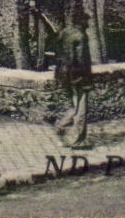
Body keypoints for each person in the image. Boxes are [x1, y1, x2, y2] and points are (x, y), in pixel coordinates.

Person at [54, 9, 94, 148]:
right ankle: (78, 140)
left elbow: (57, 53)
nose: (88, 23)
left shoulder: (64, 32)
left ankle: (61, 127)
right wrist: (85, 79)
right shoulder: (81, 36)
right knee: (81, 108)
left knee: (73, 106)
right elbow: (82, 59)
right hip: (77, 76)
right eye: (86, 20)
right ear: (81, 21)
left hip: (63, 75)